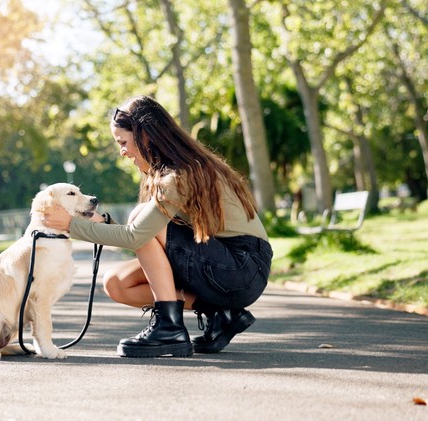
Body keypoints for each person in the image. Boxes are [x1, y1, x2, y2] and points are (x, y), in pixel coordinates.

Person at [41, 95, 272, 358]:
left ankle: (169, 328)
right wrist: (102, 224)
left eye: (123, 142)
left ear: (145, 135)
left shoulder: (180, 175)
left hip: (242, 265)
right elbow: (147, 243)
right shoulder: (175, 172)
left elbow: (137, 235)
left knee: (139, 216)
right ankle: (220, 313)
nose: (122, 151)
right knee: (117, 284)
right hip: (226, 265)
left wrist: (71, 225)